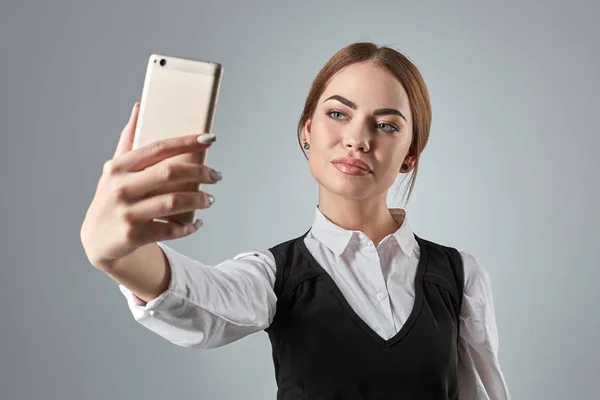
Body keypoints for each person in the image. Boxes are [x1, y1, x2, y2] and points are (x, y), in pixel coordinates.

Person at [80, 42, 510, 399]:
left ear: (410, 155)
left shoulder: (460, 275)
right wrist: (118, 255)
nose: (357, 139)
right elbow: (201, 303)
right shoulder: (274, 274)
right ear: (308, 130)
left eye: (386, 125)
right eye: (338, 114)